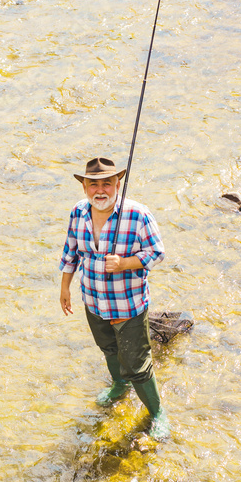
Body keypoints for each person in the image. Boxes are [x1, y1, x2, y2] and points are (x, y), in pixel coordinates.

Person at [58, 157, 170, 441]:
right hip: (93, 301)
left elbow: (156, 253)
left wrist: (124, 264)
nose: (100, 190)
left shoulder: (137, 214)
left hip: (127, 305)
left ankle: (157, 413)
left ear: (117, 184)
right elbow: (70, 252)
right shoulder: (78, 213)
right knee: (108, 349)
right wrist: (65, 287)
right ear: (84, 186)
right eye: (93, 183)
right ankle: (119, 386)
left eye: (107, 183)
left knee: (138, 364)